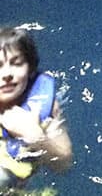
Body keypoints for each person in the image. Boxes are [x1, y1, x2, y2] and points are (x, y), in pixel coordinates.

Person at [0, 26, 72, 190]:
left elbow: (64, 162)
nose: (7, 74)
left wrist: (35, 136)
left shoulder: (42, 106)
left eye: (16, 64)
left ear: (30, 69)